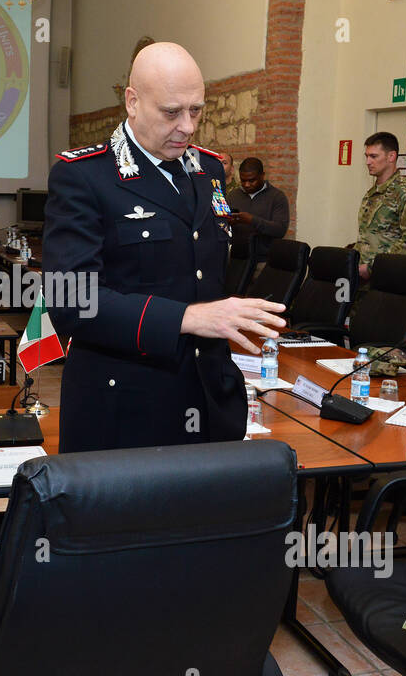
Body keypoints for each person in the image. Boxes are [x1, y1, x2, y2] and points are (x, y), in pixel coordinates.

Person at [44, 42, 286, 453]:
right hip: (127, 406)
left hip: (209, 399)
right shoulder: (85, 176)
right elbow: (71, 302)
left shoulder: (206, 169)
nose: (188, 127)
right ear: (133, 102)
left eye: (196, 111)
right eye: (172, 112)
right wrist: (187, 318)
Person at [355, 131, 406, 282]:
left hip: (386, 276)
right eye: (366, 156)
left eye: (374, 156)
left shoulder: (405, 192)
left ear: (391, 156)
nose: (368, 162)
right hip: (360, 277)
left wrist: (371, 268)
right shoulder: (372, 192)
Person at [225, 156, 290, 288]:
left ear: (262, 176)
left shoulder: (277, 197)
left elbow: (280, 229)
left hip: (264, 262)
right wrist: (228, 223)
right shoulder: (233, 195)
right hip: (237, 259)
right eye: (243, 180)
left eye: (252, 180)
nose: (247, 184)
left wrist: (251, 220)